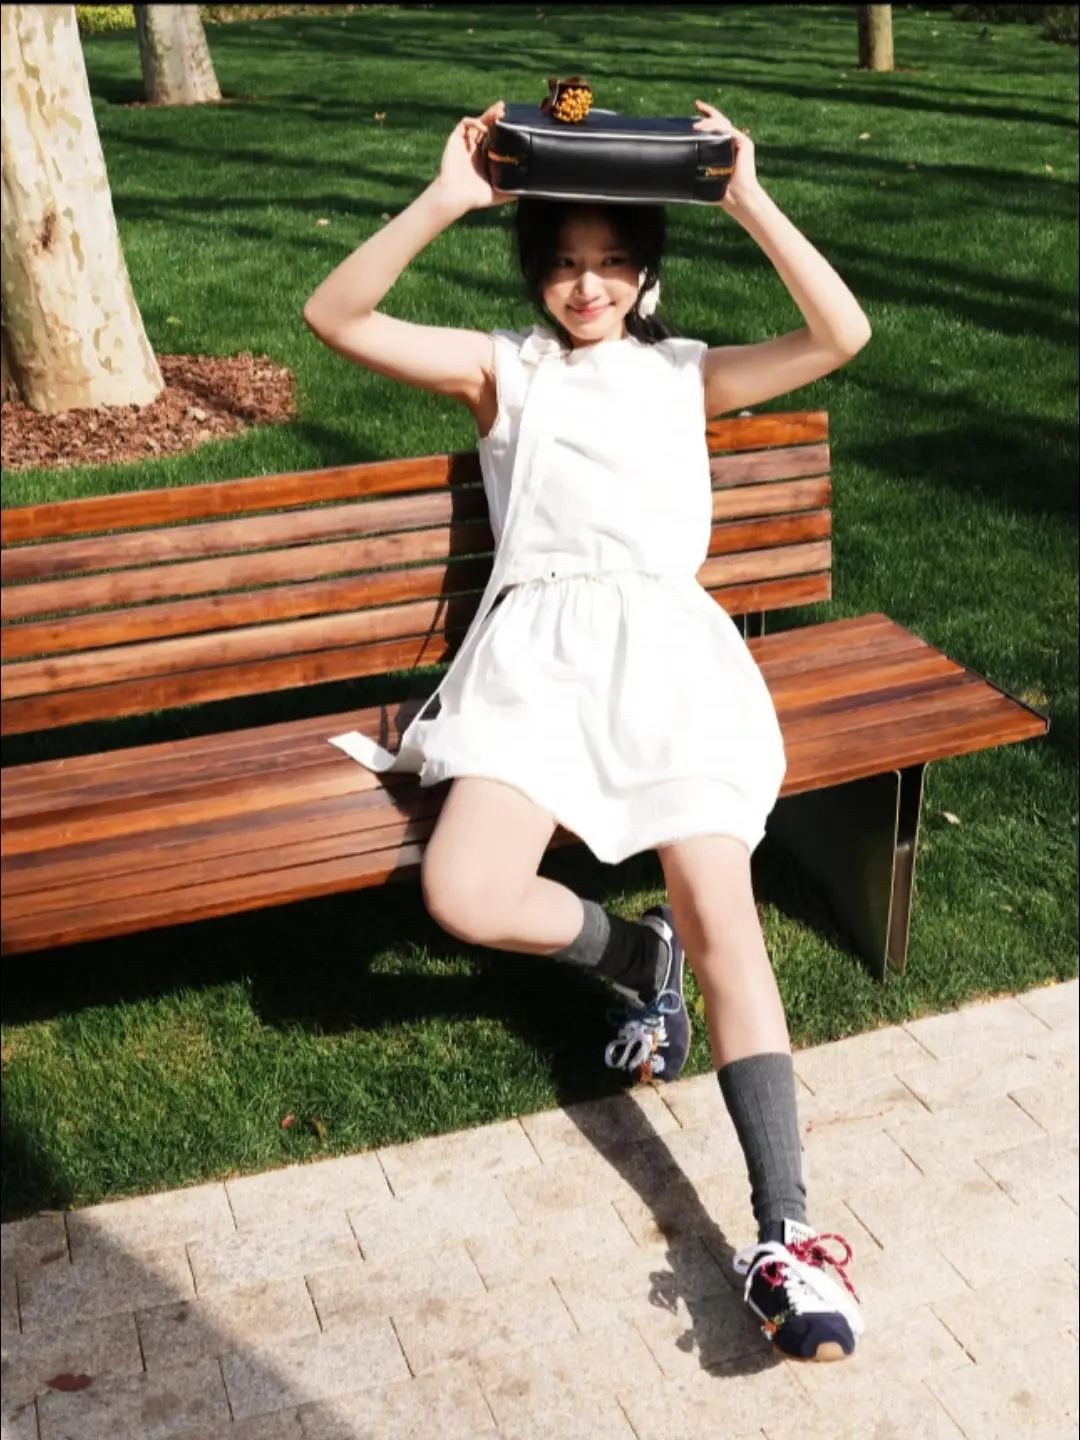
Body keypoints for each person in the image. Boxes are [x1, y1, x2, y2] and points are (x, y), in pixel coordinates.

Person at [303, 97, 871, 1363]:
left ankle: (785, 1230)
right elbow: (335, 317)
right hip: (540, 664)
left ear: (646, 270)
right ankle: (632, 954)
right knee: (464, 892)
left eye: (613, 261)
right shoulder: (502, 372)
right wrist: (449, 196)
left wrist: (748, 196)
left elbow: (844, 333)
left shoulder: (688, 374)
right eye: (563, 263)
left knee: (728, 921)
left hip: (670, 662)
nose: (587, 285)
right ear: (535, 273)